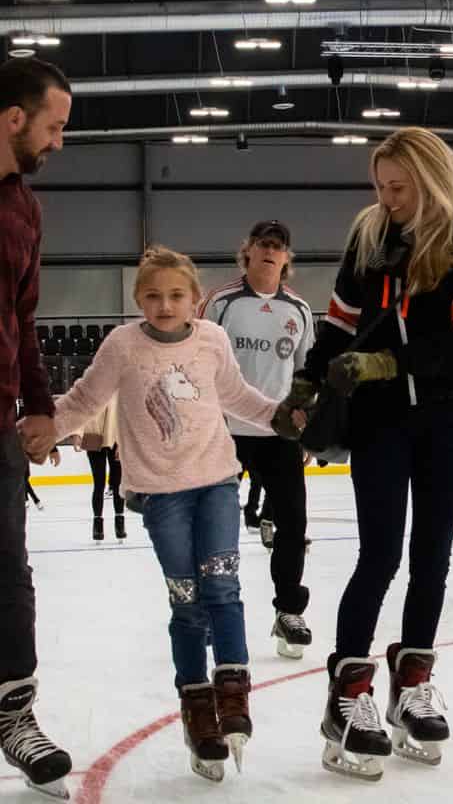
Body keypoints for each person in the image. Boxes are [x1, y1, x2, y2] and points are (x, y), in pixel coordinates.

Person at [23, 246, 305, 783]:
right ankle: (197, 704)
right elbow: (84, 400)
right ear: (137, 300)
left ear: (195, 300)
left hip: (217, 482)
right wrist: (45, 431)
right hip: (159, 494)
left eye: (176, 295)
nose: (165, 304)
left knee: (223, 588)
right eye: (152, 296)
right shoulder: (123, 346)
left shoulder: (212, 340)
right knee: (187, 602)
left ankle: (233, 689)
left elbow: (238, 397)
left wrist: (280, 418)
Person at [292, 127, 453, 779]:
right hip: (380, 422)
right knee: (379, 555)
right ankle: (348, 692)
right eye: (380, 186)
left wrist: (389, 361)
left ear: (431, 180)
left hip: (444, 420)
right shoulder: (370, 237)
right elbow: (338, 324)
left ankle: (412, 683)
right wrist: (308, 377)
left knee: (431, 559)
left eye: (399, 187)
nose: (388, 198)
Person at [0, 57, 73, 799]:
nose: (58, 141)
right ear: (14, 117)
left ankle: (14, 716)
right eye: (53, 126)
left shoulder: (25, 207)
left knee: (8, 575)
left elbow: (22, 320)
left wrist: (42, 405)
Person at [199, 219, 316, 660]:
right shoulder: (221, 302)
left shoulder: (299, 311)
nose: (270, 251)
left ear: (286, 258)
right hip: (224, 432)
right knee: (216, 527)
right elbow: (196, 359)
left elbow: (307, 374)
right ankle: (213, 608)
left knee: (293, 524)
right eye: (263, 243)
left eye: (278, 246)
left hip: (278, 434)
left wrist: (307, 423)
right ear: (247, 251)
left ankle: (289, 610)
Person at [74, 399, 126, 542]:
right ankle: (98, 526)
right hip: (93, 436)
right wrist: (78, 434)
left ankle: (120, 523)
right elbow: (81, 411)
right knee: (99, 483)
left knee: (117, 484)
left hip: (116, 439)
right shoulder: (90, 386)